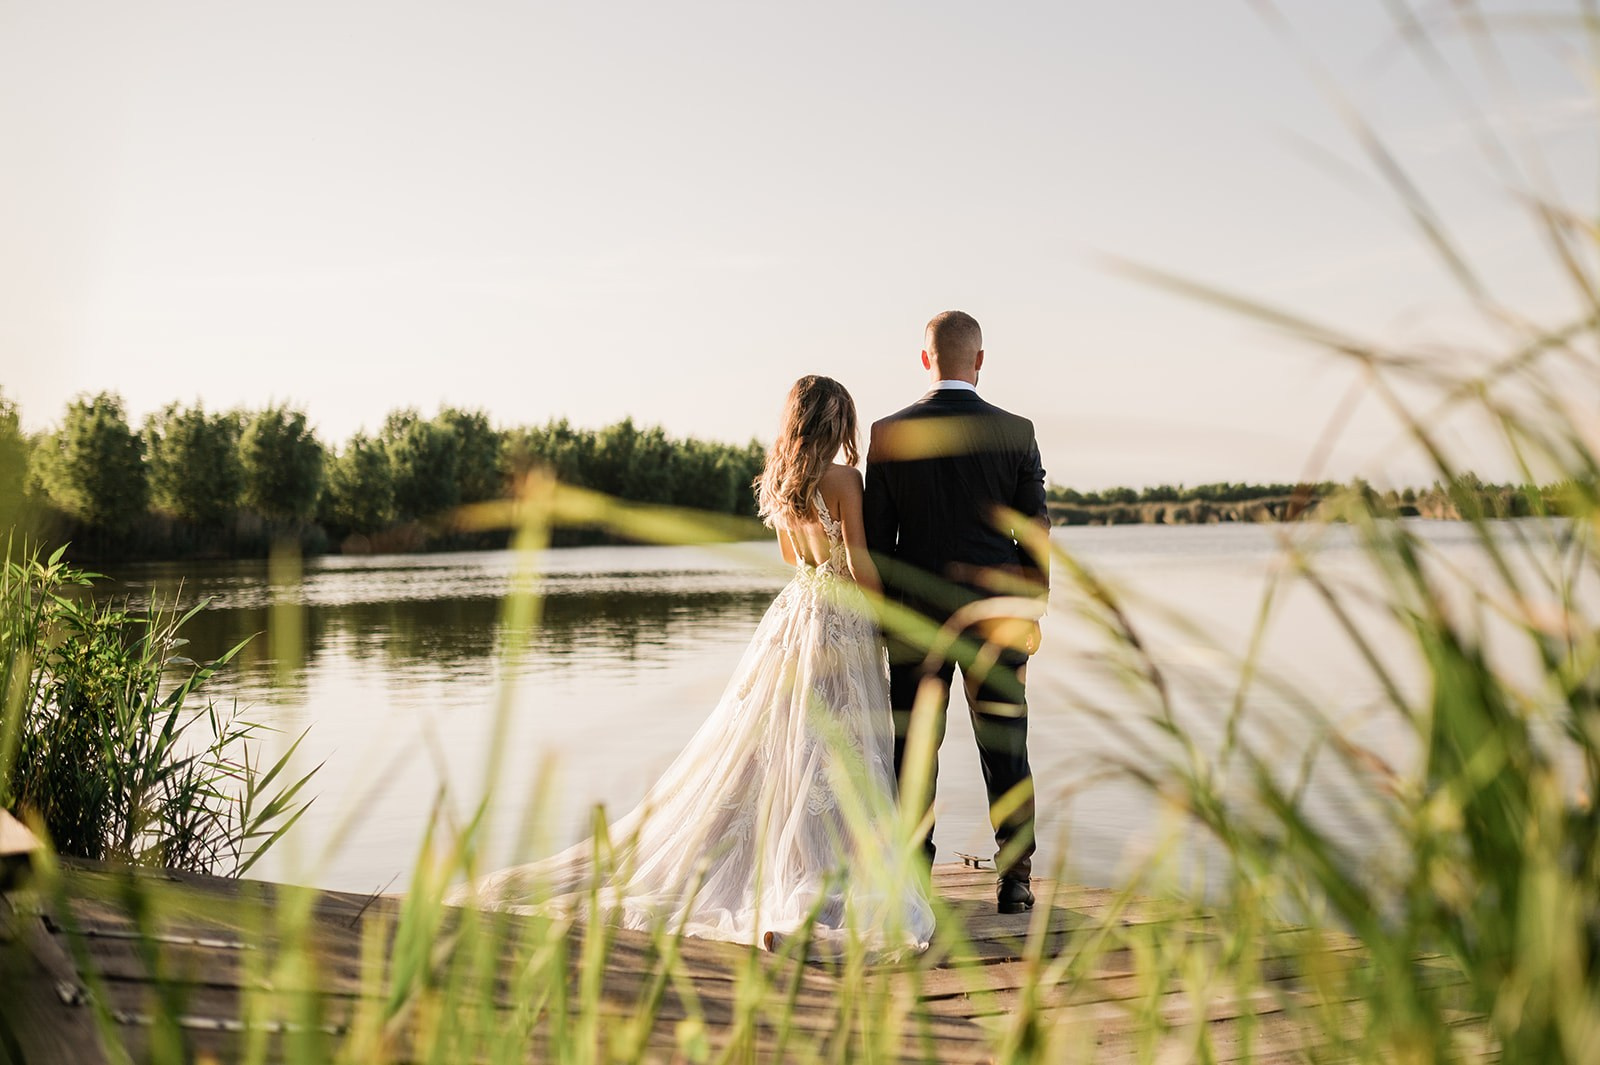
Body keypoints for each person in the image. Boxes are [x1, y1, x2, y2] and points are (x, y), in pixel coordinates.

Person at [450, 375, 935, 957]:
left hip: (794, 618)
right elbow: (856, 563)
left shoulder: (783, 482)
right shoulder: (843, 480)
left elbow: (793, 558)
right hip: (839, 621)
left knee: (781, 751)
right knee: (836, 753)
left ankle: (790, 872)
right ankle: (824, 884)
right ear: (838, 423)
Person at [864, 310, 1050, 915]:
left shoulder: (889, 434)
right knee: (1007, 747)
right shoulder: (1016, 432)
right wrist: (1033, 603)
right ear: (979, 359)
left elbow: (876, 541)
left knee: (914, 748)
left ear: (926, 360)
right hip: (999, 619)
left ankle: (914, 876)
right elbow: (1037, 530)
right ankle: (1015, 880)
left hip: (916, 620)